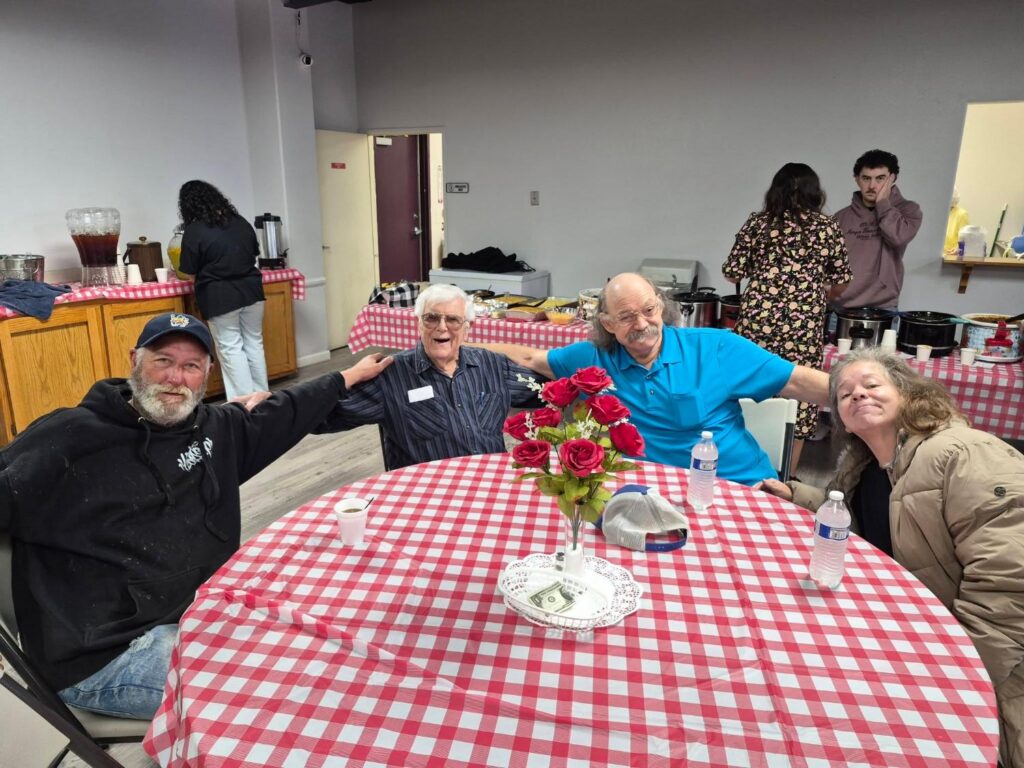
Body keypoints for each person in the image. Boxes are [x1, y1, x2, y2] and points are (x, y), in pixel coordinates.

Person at [0, 312, 392, 719]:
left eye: (191, 366)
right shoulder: (70, 436)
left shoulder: (212, 428)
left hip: (194, 614)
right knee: (282, 700)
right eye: (163, 361)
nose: (176, 378)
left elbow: (283, 411)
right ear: (135, 359)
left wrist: (345, 377)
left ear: (208, 372)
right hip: (102, 651)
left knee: (322, 649)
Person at [758, 347, 1024, 766]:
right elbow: (877, 532)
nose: (858, 396)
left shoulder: (961, 452)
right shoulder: (865, 466)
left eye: (871, 385)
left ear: (906, 391)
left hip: (994, 670)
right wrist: (801, 496)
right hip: (915, 633)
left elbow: (1009, 578)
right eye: (844, 394)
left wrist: (958, 672)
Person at [475, 273, 830, 486]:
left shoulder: (717, 348)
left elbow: (798, 382)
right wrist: (453, 342)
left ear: (661, 306)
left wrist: (871, 398)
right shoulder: (594, 357)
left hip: (736, 486)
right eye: (627, 317)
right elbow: (527, 356)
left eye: (648, 310)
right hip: (647, 491)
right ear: (608, 325)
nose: (642, 324)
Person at [315, 283, 543, 469]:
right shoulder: (391, 375)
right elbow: (321, 413)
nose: (442, 327)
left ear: (467, 328)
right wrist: (286, 406)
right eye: (431, 318)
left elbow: (550, 390)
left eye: (453, 320)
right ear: (418, 323)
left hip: (490, 485)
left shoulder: (493, 365)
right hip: (426, 494)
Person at [723, 162, 852, 474]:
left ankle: (744, 467)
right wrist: (821, 295)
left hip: (758, 320)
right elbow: (843, 278)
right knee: (800, 394)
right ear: (814, 193)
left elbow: (731, 274)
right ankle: (785, 477)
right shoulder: (826, 227)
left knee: (750, 385)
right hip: (803, 325)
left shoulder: (758, 224)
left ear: (774, 191)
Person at [178, 179, 268, 400]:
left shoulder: (195, 230)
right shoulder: (240, 222)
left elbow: (189, 272)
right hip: (252, 290)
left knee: (231, 347)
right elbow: (253, 254)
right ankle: (263, 396)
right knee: (254, 342)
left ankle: (245, 403)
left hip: (220, 295)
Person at [832, 149, 922, 312]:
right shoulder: (840, 217)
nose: (872, 186)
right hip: (838, 308)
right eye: (866, 178)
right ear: (857, 180)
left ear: (892, 179)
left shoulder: (908, 210)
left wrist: (882, 202)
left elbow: (898, 237)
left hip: (882, 308)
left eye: (880, 178)